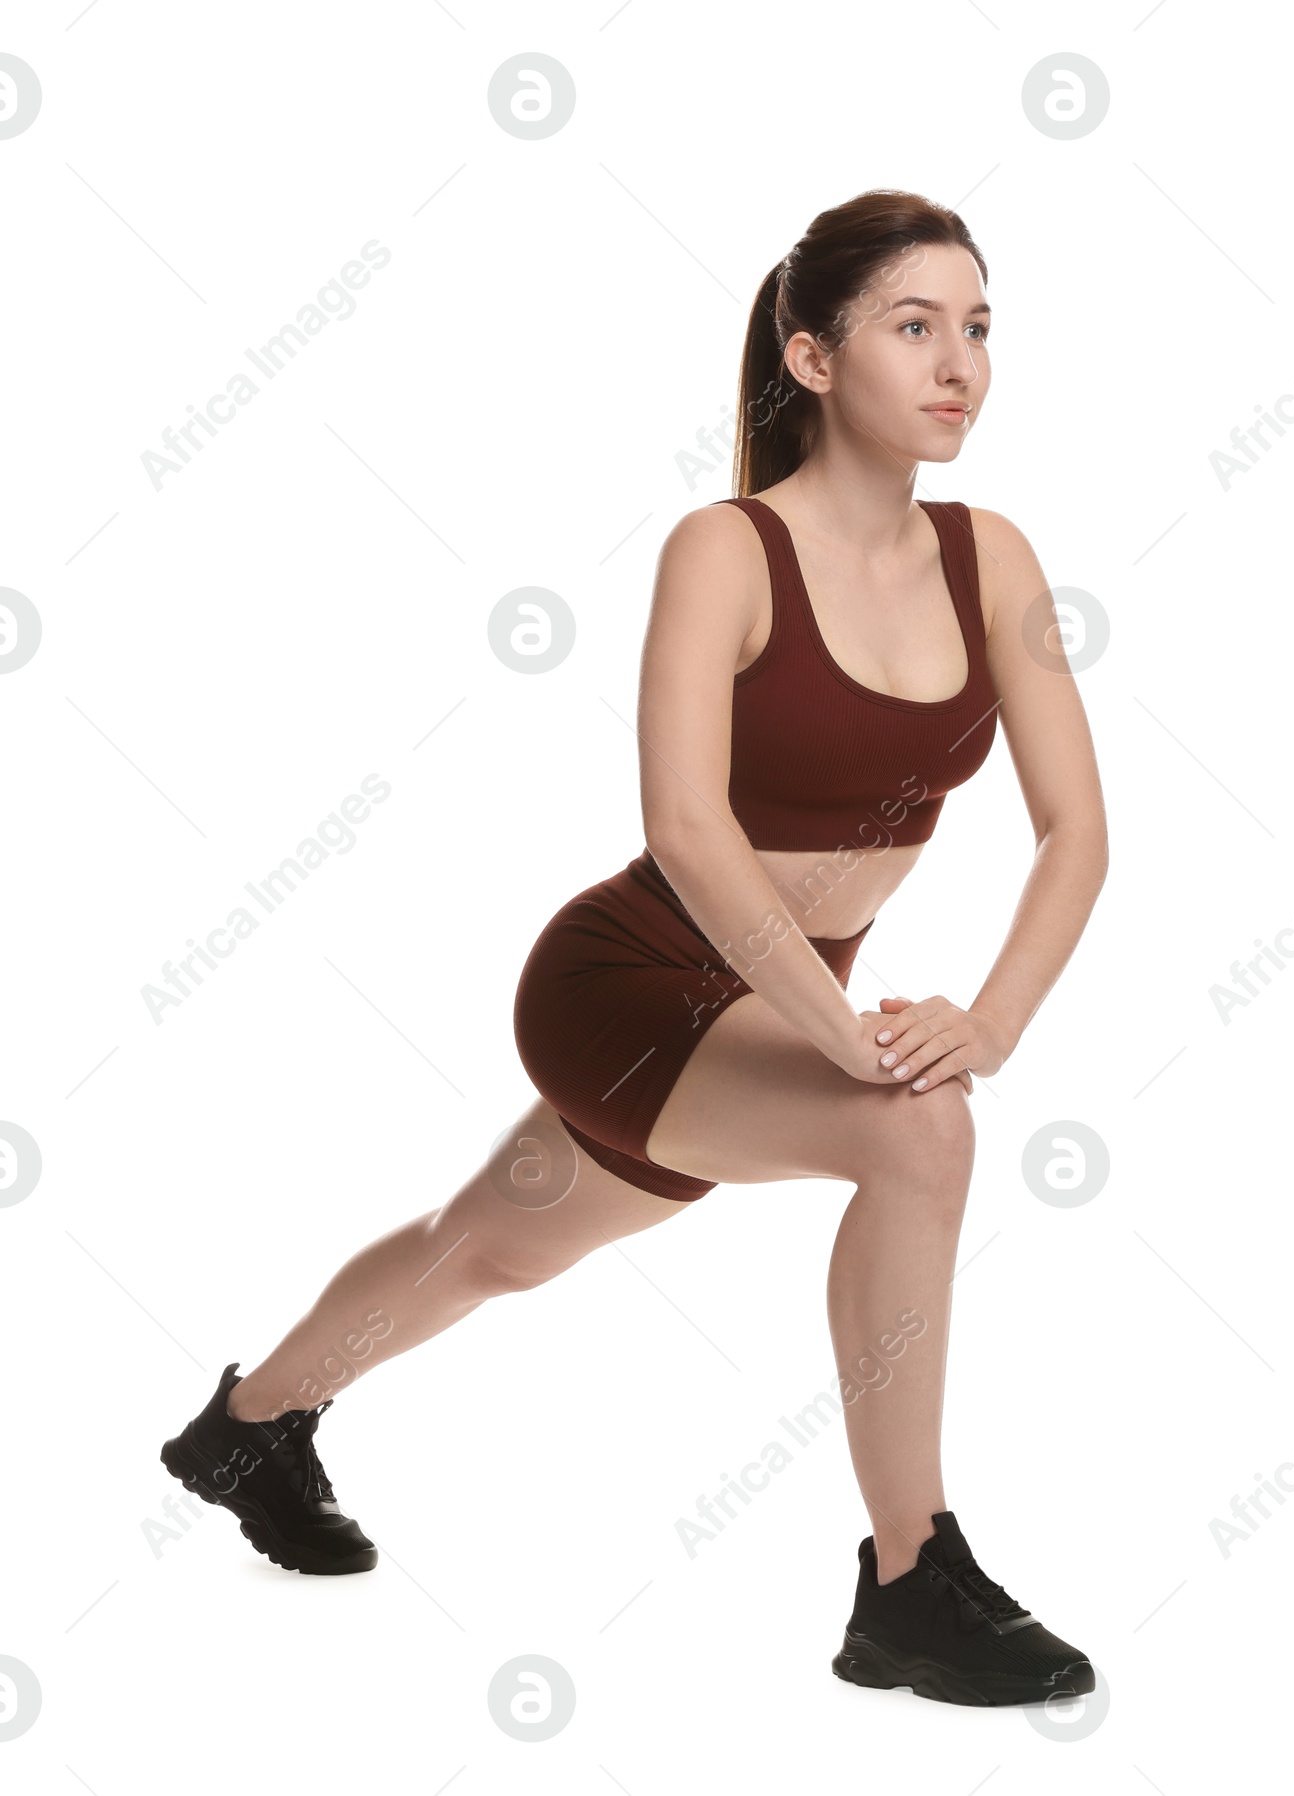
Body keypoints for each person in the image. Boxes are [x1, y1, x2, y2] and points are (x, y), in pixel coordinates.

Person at [159, 188, 1109, 1708]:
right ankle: (908, 1578)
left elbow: (1079, 834)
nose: (961, 363)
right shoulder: (724, 551)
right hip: (636, 985)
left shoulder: (991, 555)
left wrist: (988, 1020)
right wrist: (851, 1039)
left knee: (494, 1247)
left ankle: (249, 1426)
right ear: (810, 355)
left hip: (780, 1011)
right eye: (914, 325)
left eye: (980, 327)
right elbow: (686, 829)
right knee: (919, 1137)